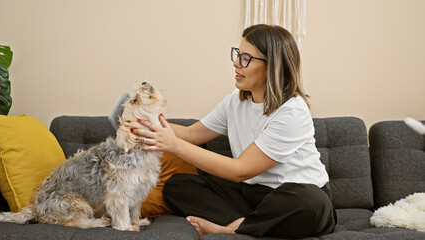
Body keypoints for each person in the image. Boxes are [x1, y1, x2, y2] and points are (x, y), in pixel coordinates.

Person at [131, 24, 337, 239]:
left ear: (272, 66)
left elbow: (240, 170)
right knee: (178, 185)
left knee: (312, 202)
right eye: (238, 54)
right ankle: (255, 224)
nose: (236, 63)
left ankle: (231, 229)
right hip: (251, 198)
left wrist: (174, 145)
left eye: (246, 58)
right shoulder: (235, 101)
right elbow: (191, 135)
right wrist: (145, 123)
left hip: (294, 197)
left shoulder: (292, 111)